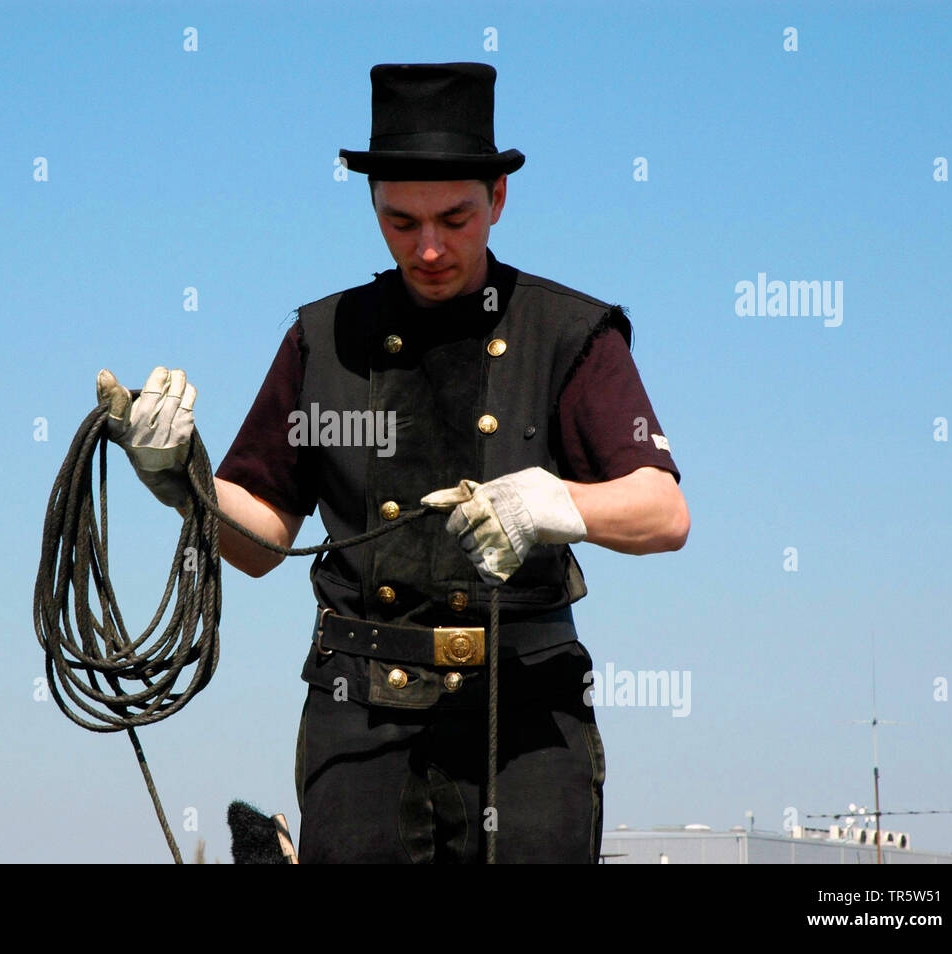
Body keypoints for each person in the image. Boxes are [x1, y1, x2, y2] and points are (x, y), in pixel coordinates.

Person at [96, 62, 688, 863]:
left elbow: (664, 511)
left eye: (455, 217)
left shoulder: (571, 333)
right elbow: (261, 541)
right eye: (401, 222)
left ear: (498, 200)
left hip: (527, 710)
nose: (431, 247)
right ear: (373, 206)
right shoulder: (323, 337)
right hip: (359, 708)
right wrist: (186, 484)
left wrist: (558, 505)